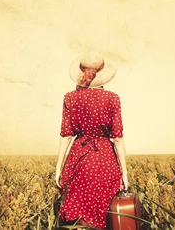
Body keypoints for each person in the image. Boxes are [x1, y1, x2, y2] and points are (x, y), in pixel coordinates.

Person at [55, 51, 130, 229]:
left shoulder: (70, 98)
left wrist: (59, 167)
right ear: (103, 76)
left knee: (79, 215)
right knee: (105, 212)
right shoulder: (112, 98)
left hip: (78, 159)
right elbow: (118, 139)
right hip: (105, 160)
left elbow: (66, 135)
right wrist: (124, 173)